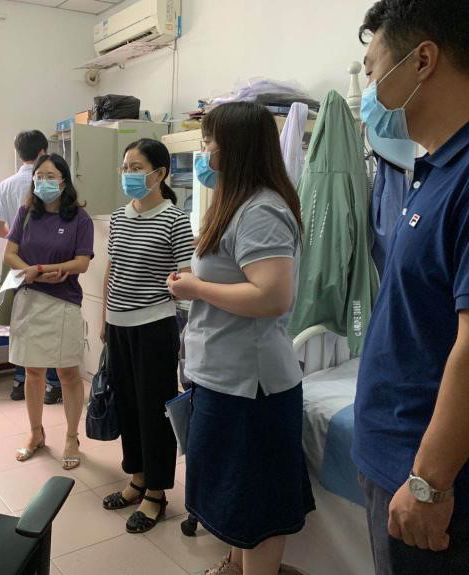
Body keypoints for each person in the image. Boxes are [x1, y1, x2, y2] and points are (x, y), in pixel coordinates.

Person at [353, 2, 469, 573]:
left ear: (422, 61)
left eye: (372, 70)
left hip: (437, 489)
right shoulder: (440, 168)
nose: (369, 90)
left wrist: (430, 481)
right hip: (397, 461)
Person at [167, 102, 314, 575]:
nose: (205, 151)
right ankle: (233, 565)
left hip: (252, 388)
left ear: (237, 147)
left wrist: (196, 288)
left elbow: (272, 296)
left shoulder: (261, 210)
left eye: (209, 141)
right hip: (222, 377)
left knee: (258, 505)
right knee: (233, 495)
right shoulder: (234, 205)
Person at [99, 139, 194, 534]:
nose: (129, 174)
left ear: (160, 173)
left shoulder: (175, 219)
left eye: (136, 168)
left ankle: (156, 492)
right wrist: (104, 318)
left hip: (154, 326)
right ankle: (137, 478)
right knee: (127, 406)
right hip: (118, 324)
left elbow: (186, 276)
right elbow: (112, 268)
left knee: (154, 410)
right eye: (125, 167)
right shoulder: (119, 217)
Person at [4, 153, 94, 470]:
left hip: (64, 303)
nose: (43, 181)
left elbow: (82, 262)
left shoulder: (79, 219)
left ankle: (71, 437)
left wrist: (45, 269)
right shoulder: (26, 213)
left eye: (50, 176)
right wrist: (31, 272)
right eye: (39, 176)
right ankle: (36, 433)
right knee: (33, 373)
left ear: (64, 181)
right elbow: (10, 253)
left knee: (68, 374)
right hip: (29, 300)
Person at [0, 130, 62, 404]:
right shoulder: (52, 181)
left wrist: (17, 239)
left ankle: (19, 381)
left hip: (14, 261)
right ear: (43, 151)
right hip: (46, 259)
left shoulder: (5, 185)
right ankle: (53, 384)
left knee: (19, 320)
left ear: (18, 153)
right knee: (49, 320)